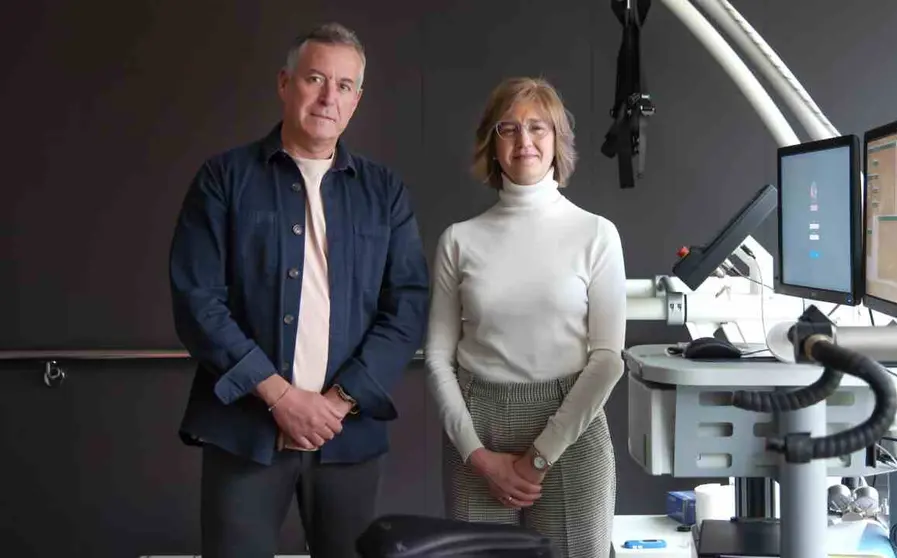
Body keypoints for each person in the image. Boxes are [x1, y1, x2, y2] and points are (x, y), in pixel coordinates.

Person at [169, 22, 429, 558]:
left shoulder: (385, 192)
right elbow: (198, 301)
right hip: (244, 431)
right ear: (285, 84)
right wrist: (281, 397)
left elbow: (406, 307)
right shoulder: (224, 178)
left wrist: (337, 401)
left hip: (348, 436)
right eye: (315, 78)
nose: (329, 97)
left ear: (358, 99)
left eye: (345, 85)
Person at [425, 77, 628, 558]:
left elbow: (608, 359)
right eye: (508, 128)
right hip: (476, 429)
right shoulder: (459, 240)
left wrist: (539, 458)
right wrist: (474, 453)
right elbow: (436, 357)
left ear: (557, 141)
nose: (524, 141)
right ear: (491, 145)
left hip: (571, 426)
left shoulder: (596, 235)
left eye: (538, 127)